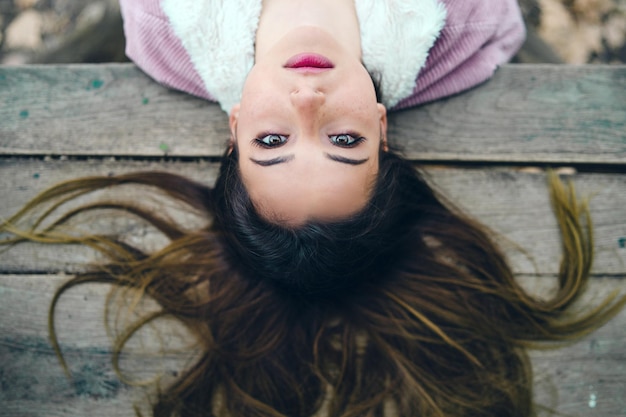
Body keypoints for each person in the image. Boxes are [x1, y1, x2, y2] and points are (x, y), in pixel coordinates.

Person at [1, 1, 624, 416]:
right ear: (381, 130)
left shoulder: (166, 30)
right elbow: (507, 28)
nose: (306, 102)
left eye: (272, 143)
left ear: (235, 129)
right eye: (343, 142)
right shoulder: (453, 27)